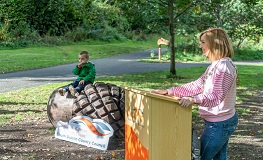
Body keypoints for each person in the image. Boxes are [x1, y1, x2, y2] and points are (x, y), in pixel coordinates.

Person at [151, 28, 238, 160]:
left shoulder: (223, 67)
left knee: (200, 157)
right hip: (218, 122)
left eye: (203, 42)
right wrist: (169, 92)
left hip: (220, 123)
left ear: (215, 44)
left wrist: (194, 100)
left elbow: (216, 96)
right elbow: (197, 85)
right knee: (220, 157)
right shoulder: (216, 65)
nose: (200, 46)